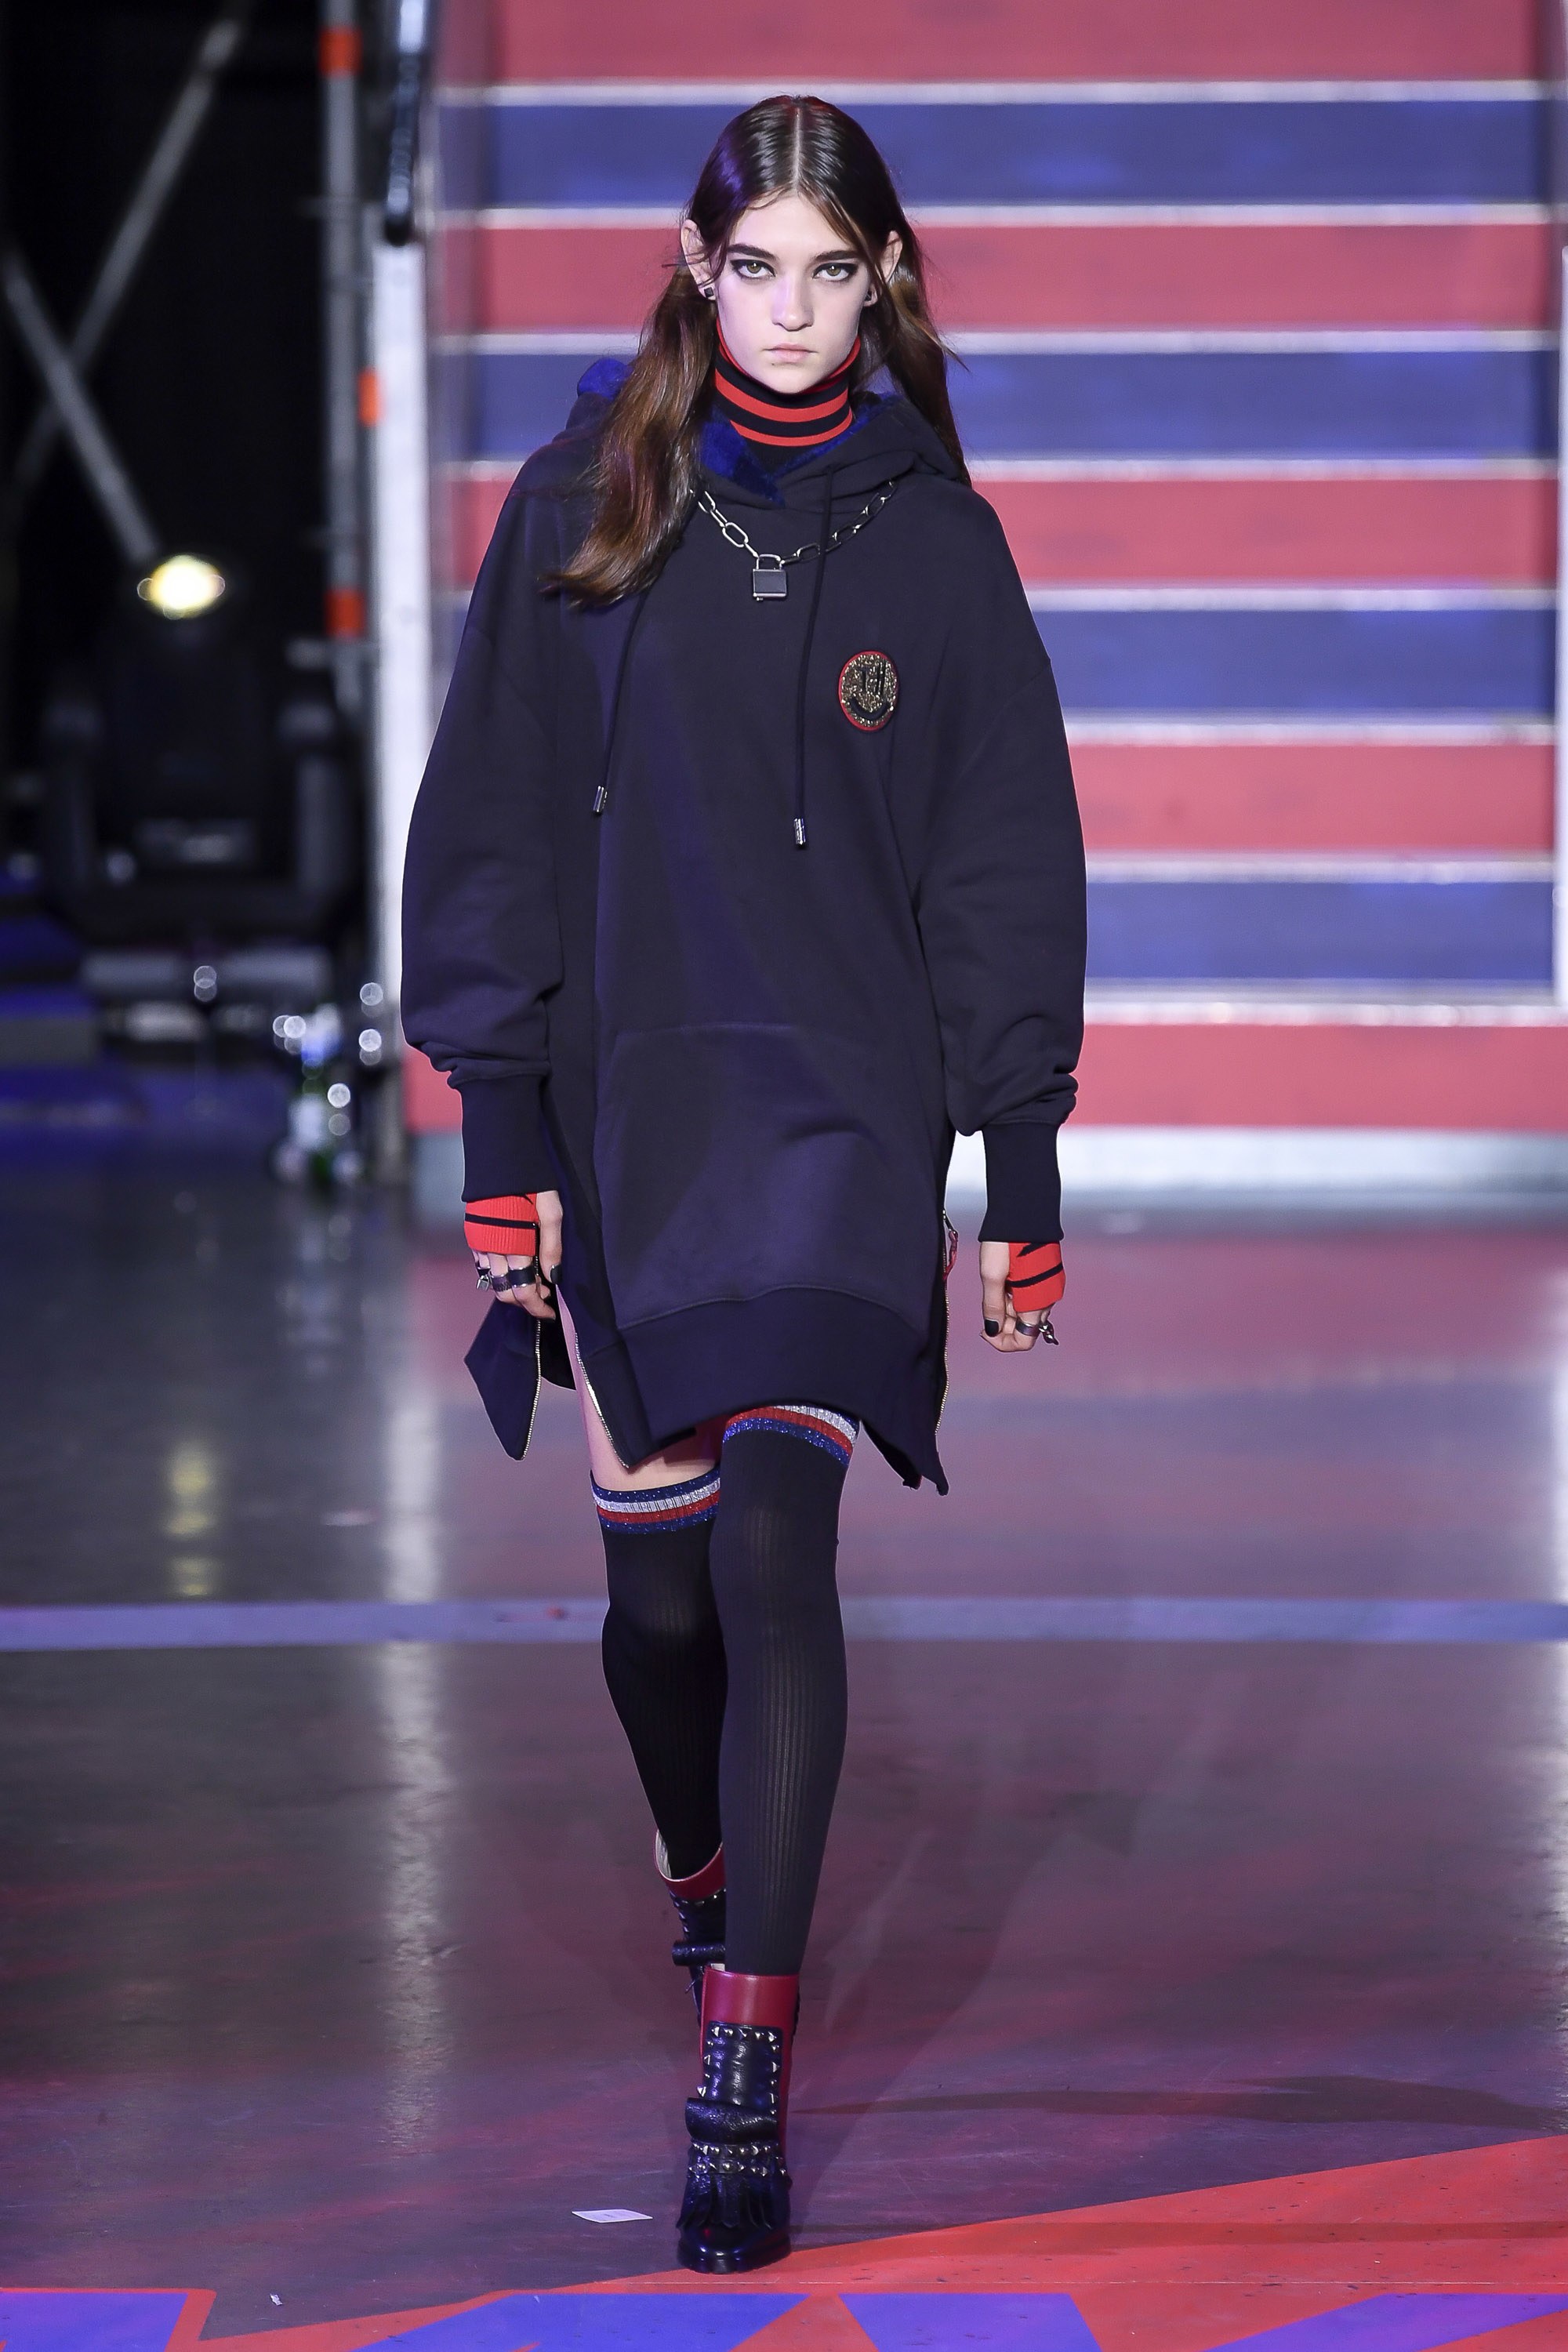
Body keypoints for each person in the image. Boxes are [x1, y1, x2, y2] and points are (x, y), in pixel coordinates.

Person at [401, 93, 1086, 2274]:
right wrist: (502, 1128)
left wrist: (1020, 1153)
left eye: (833, 270)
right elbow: (496, 814)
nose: (794, 311)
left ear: (884, 283)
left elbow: (1003, 860)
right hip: (639, 1110)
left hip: (846, 1119)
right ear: (701, 273)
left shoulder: (940, 544)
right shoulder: (586, 502)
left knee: (780, 1555)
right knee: (663, 1606)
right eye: (757, 267)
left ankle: (745, 2065)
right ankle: (701, 1872)